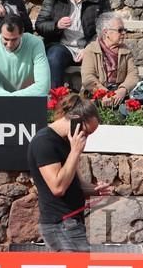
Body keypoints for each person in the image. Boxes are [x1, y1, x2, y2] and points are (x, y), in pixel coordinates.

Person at [27, 93, 111, 252]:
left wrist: (94, 190)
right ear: (76, 120)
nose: (85, 138)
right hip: (60, 224)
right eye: (86, 132)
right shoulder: (44, 142)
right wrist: (75, 152)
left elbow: (75, 182)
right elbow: (58, 187)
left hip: (71, 223)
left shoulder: (66, 142)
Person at [35, 0, 111, 88]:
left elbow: (106, 28)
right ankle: (54, 101)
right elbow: (40, 24)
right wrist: (56, 25)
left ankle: (100, 102)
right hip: (62, 46)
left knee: (102, 60)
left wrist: (90, 47)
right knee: (54, 57)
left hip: (89, 46)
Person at [0, 14, 49, 96]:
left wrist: (13, 97)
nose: (9, 44)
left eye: (14, 39)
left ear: (22, 33)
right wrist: (10, 97)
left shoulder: (36, 43)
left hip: (27, 98)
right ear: (0, 32)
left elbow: (43, 87)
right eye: (6, 39)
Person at [81, 12, 138, 105]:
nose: (123, 33)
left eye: (124, 30)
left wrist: (123, 90)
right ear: (106, 32)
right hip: (96, 95)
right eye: (120, 30)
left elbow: (133, 74)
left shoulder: (125, 51)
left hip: (119, 95)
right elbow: (88, 78)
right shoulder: (91, 50)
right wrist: (105, 93)